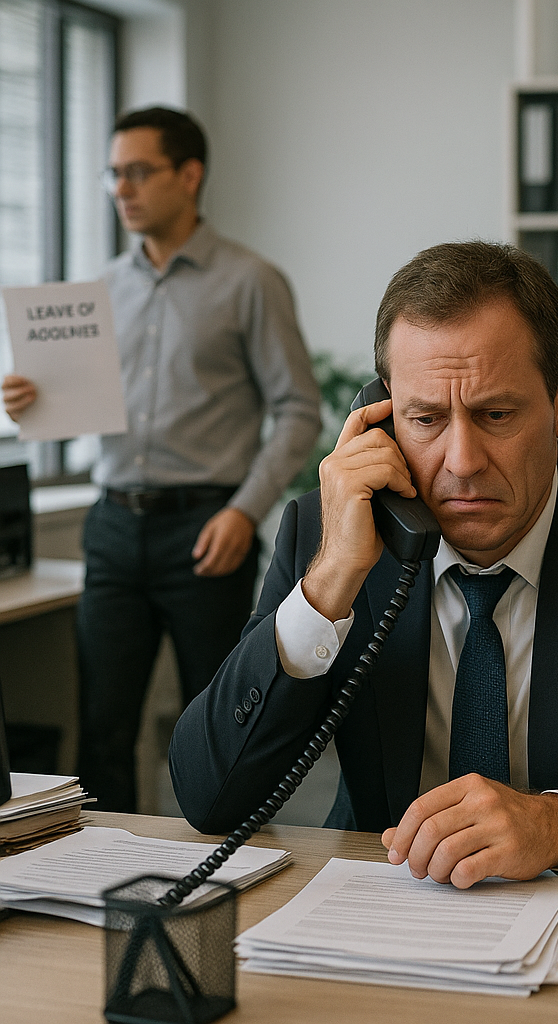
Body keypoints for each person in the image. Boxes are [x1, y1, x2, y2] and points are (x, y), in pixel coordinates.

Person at [168, 240, 558, 891]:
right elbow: (210, 797)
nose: (462, 461)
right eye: (426, 419)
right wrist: (328, 585)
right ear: (381, 417)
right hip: (382, 904)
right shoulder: (328, 535)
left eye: (496, 414)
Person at [2, 107, 321, 813]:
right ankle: (102, 866)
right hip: (113, 527)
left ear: (189, 175)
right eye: (114, 174)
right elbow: (79, 408)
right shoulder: (99, 292)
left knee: (222, 726)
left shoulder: (250, 281)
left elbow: (299, 409)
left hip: (206, 529)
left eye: (139, 172)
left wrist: (244, 511)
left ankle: (229, 855)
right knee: (103, 725)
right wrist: (33, 402)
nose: (122, 188)